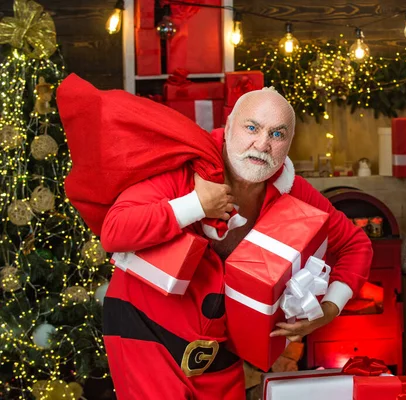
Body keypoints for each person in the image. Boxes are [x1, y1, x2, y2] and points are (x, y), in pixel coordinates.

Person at [100, 87, 373, 399]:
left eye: (278, 134)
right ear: (228, 127)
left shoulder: (294, 192)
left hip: (220, 344)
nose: (262, 144)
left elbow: (355, 244)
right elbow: (115, 230)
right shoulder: (185, 165)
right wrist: (196, 205)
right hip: (146, 325)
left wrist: (329, 308)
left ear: (288, 144)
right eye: (252, 128)